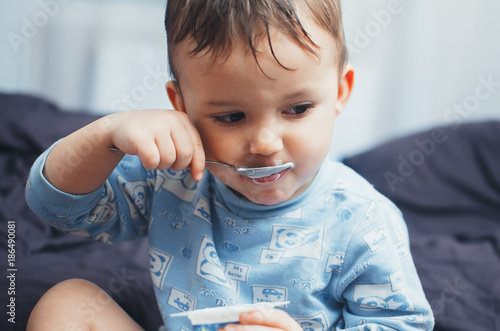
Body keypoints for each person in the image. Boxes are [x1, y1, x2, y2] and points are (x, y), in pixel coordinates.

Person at [25, 0, 434, 330]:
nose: (265, 144)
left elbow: (402, 324)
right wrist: (106, 135)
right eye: (231, 117)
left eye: (297, 109)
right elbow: (57, 207)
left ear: (340, 92)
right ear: (181, 107)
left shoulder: (364, 222)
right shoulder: (173, 176)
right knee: (67, 303)